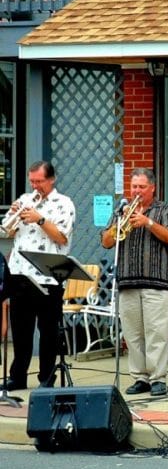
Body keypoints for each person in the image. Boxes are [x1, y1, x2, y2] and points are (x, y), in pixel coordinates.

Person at [100, 168, 168, 397]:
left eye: (141, 187)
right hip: (128, 282)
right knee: (133, 335)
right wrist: (118, 224)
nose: (137, 191)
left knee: (156, 334)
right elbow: (106, 242)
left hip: (157, 283)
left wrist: (147, 222)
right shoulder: (121, 211)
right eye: (134, 186)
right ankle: (140, 378)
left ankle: (158, 379)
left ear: (152, 188)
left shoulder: (165, 210)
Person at [0, 161, 76, 390]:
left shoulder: (64, 203)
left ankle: (46, 376)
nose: (35, 186)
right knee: (21, 329)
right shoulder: (25, 199)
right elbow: (7, 231)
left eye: (39, 181)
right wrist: (14, 216)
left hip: (48, 275)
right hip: (20, 272)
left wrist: (40, 219)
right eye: (32, 181)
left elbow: (62, 237)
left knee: (48, 330)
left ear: (52, 179)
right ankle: (18, 376)